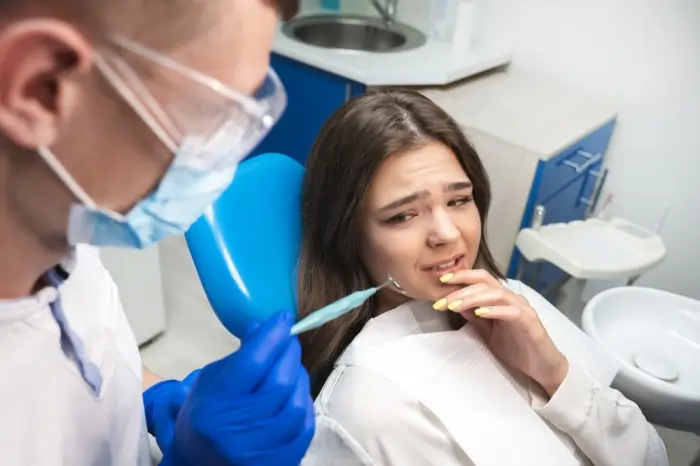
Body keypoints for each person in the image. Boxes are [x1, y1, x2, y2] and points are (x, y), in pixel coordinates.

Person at [0, 1, 314, 465]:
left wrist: (157, 398)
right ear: (40, 88)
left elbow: (85, 363)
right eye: (212, 113)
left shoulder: (62, 231)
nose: (221, 167)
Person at [297, 89, 668, 465]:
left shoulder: (512, 303)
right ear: (345, 233)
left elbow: (650, 455)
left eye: (458, 200)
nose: (447, 233)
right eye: (403, 215)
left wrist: (555, 372)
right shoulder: (367, 408)